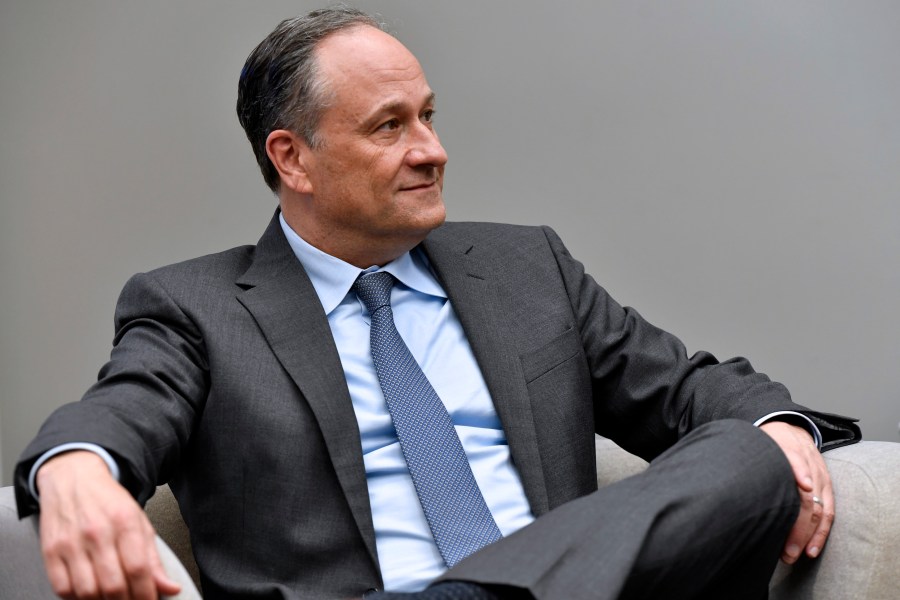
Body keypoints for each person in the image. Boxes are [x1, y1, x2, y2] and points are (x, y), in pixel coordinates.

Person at [15, 7, 859, 600]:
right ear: (293, 157)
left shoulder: (526, 267)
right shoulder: (195, 307)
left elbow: (686, 391)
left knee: (748, 454)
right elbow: (122, 410)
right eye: (390, 127)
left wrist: (774, 425)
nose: (433, 151)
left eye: (429, 117)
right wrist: (77, 467)